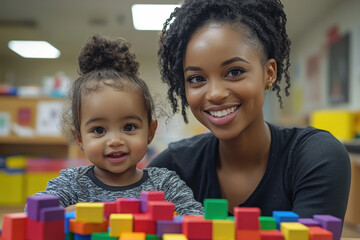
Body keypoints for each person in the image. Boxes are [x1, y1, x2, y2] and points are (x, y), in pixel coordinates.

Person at [148, 0, 351, 222]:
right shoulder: (171, 168)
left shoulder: (315, 157)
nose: (215, 93)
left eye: (234, 72)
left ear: (269, 73)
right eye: (197, 79)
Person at [30, 34, 203, 215]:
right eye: (99, 130)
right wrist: (76, 213)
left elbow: (196, 217)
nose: (115, 140)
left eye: (129, 127)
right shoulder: (71, 183)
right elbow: (35, 213)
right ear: (79, 138)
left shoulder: (164, 184)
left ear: (150, 132)